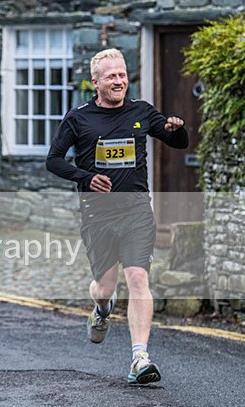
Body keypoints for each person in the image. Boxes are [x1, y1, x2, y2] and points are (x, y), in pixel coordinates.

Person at [46, 48, 188, 385]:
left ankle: (140, 357)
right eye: (111, 76)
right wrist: (84, 176)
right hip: (98, 215)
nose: (119, 81)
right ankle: (102, 310)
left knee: (138, 276)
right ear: (96, 82)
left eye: (122, 75)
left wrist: (176, 128)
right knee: (105, 286)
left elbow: (177, 142)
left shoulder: (141, 111)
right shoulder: (79, 118)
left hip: (136, 210)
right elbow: (53, 159)